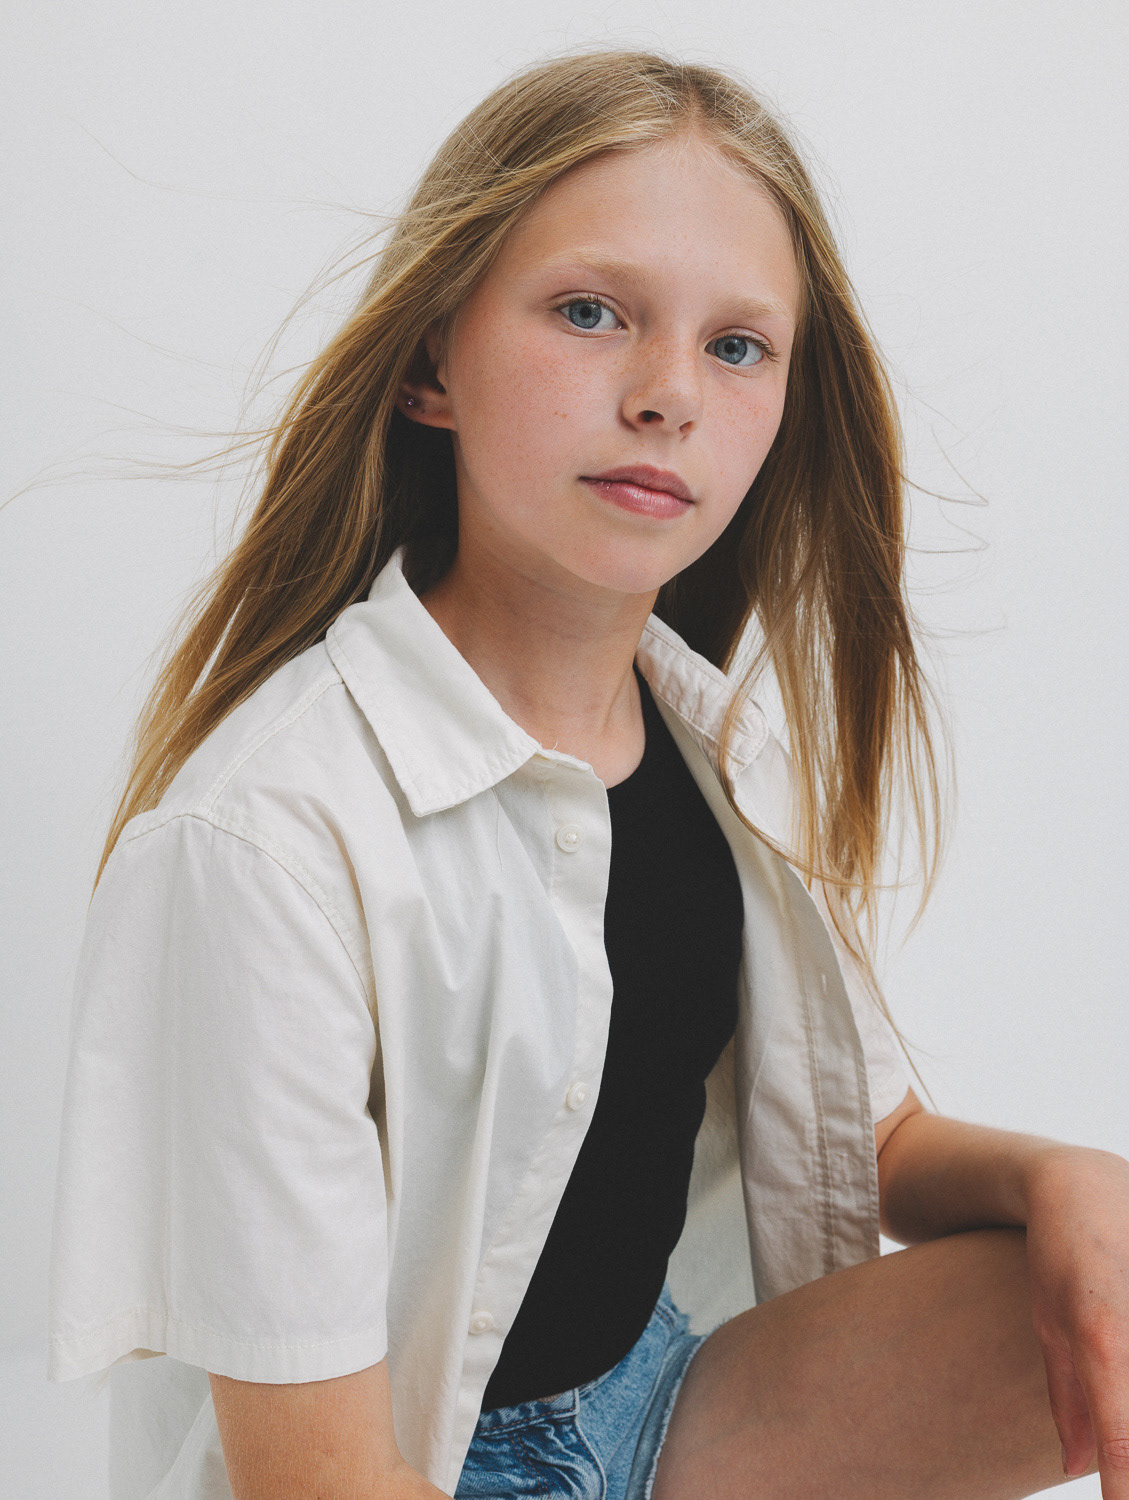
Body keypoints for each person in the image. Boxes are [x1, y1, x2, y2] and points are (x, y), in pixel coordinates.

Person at [47, 46, 1128, 1500]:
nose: (668, 394)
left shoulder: (713, 747)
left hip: (657, 1393)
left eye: (736, 347)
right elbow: (318, 1480)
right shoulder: (267, 842)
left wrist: (1062, 1179)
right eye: (589, 313)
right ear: (431, 364)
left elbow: (856, 1129)